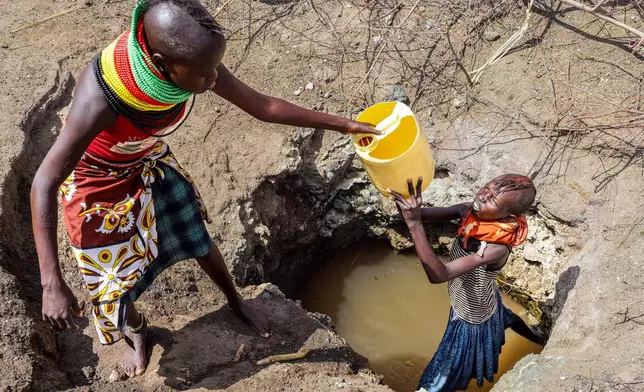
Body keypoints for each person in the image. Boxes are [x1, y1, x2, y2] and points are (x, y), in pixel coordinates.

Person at [30, 0, 378, 378]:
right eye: (204, 75)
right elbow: (44, 181)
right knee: (115, 276)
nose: (214, 80)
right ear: (162, 64)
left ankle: (235, 300)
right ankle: (135, 331)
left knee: (194, 232)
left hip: (145, 160)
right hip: (98, 181)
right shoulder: (100, 100)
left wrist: (344, 125)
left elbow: (261, 105)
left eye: (215, 68)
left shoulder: (194, 57)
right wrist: (52, 283)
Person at [388, 174, 546, 392]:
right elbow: (416, 215)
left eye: (492, 200)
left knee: (437, 380)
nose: (482, 196)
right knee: (503, 315)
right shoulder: (468, 211)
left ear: (509, 214)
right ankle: (538, 339)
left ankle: (540, 342)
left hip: (471, 316)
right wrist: (407, 203)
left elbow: (439, 275)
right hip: (485, 294)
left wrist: (414, 224)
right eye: (486, 189)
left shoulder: (495, 248)